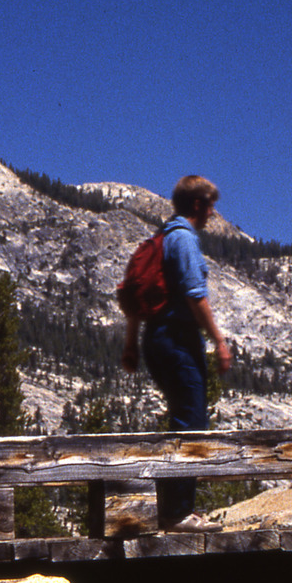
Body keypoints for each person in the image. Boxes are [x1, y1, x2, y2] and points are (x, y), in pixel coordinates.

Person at [121, 174, 233, 529]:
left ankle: (174, 509)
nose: (214, 212)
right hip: (178, 338)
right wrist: (219, 340)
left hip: (156, 338)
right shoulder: (183, 239)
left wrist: (131, 344)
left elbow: (136, 302)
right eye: (211, 205)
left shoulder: (159, 239)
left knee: (181, 420)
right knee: (191, 424)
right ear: (198, 204)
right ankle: (178, 513)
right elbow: (194, 293)